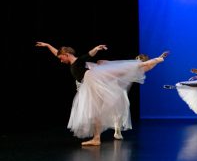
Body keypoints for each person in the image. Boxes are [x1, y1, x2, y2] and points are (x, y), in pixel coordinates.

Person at [36, 42, 168, 146]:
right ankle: (96, 138)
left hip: (93, 79)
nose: (60, 60)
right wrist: (48, 46)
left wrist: (96, 48)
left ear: (67, 54)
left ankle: (158, 59)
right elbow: (57, 53)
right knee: (95, 112)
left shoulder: (79, 60)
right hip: (89, 84)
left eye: (61, 58)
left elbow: (89, 54)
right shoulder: (72, 62)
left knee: (126, 68)